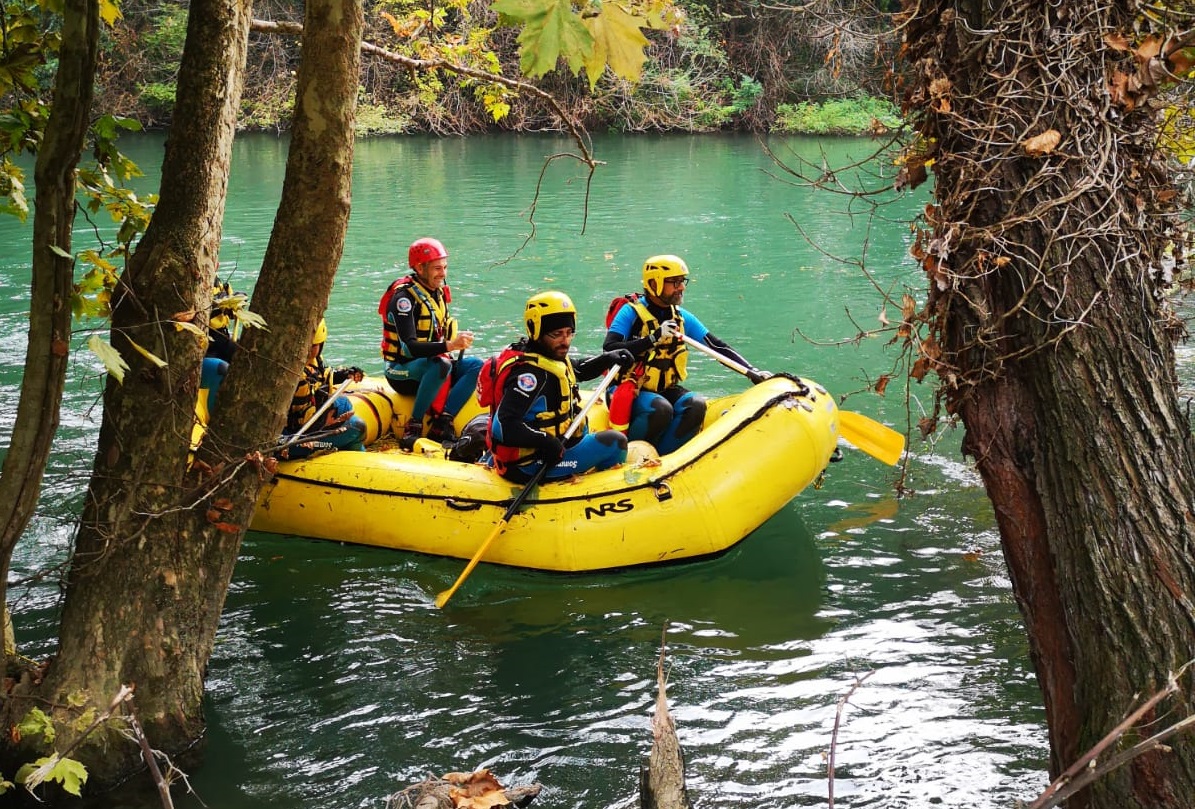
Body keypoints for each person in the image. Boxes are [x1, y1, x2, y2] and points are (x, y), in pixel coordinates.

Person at [602, 254, 770, 454]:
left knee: (696, 405)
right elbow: (610, 347)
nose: (681, 287)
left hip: (663, 388)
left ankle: (666, 458)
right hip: (629, 388)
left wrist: (752, 372)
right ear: (654, 283)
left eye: (682, 281)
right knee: (661, 409)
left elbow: (716, 346)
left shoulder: (681, 316)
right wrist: (653, 339)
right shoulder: (631, 313)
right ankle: (628, 453)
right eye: (674, 282)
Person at [488, 291, 634, 483]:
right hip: (532, 464)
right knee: (616, 442)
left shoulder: (546, 356)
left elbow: (577, 370)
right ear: (536, 331)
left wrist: (609, 358)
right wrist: (546, 442)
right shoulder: (530, 376)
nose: (565, 341)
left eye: (569, 333)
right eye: (557, 334)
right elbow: (504, 426)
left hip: (545, 450)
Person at [379, 237, 483, 450]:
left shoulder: (435, 292)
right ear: (419, 267)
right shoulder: (403, 298)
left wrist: (453, 343)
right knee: (441, 364)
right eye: (437, 268)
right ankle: (414, 425)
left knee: (476, 366)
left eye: (445, 267)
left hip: (432, 363)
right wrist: (450, 345)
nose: (443, 273)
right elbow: (410, 347)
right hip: (401, 370)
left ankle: (443, 422)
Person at [280, 318, 367, 460]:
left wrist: (346, 374)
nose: (307, 351)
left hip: (309, 426)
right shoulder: (289, 374)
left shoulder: (314, 362)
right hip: (292, 439)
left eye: (312, 346)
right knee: (358, 427)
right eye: (305, 346)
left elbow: (324, 375)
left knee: (344, 404)